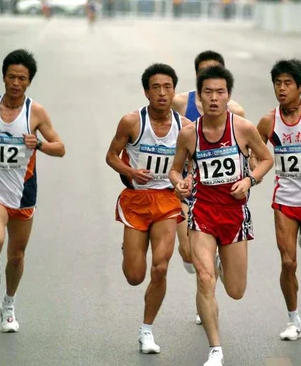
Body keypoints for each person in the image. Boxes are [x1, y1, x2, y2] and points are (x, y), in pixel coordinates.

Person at [169, 65, 273, 366]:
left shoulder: (242, 128)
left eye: (220, 92)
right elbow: (176, 168)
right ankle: (215, 349)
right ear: (198, 98)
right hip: (202, 213)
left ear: (228, 96)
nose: (214, 98)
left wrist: (250, 179)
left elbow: (266, 159)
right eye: (208, 93)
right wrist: (180, 183)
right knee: (204, 279)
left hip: (234, 215)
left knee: (236, 291)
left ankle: (221, 263)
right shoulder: (189, 134)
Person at [0, 49, 66, 332]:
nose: (15, 83)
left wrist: (39, 145)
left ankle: (8, 305)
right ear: (3, 76)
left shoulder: (36, 112)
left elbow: (60, 148)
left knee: (17, 256)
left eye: (22, 78)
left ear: (29, 81)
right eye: (11, 77)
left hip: (22, 194)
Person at [105, 63, 191, 353]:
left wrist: (186, 180)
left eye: (168, 87)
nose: (162, 93)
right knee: (134, 276)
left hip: (167, 201)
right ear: (146, 92)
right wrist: (130, 172)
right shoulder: (131, 122)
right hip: (136, 201)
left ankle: (147, 330)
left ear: (174, 91)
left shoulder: (185, 128)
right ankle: (131, 249)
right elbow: (111, 156)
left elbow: (194, 165)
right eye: (156, 87)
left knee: (161, 267)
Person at [171, 50, 245, 325]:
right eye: (205, 75)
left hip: (223, 198)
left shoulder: (236, 112)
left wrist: (246, 181)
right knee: (189, 253)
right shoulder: (180, 103)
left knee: (220, 279)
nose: (213, 93)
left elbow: (245, 156)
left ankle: (210, 287)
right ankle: (207, 284)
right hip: (189, 189)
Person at [255, 59, 301, 341]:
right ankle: (293, 319)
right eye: (277, 84)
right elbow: (253, 147)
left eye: (287, 84)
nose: (281, 89)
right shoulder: (269, 121)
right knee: (288, 263)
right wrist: (250, 164)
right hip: (284, 198)